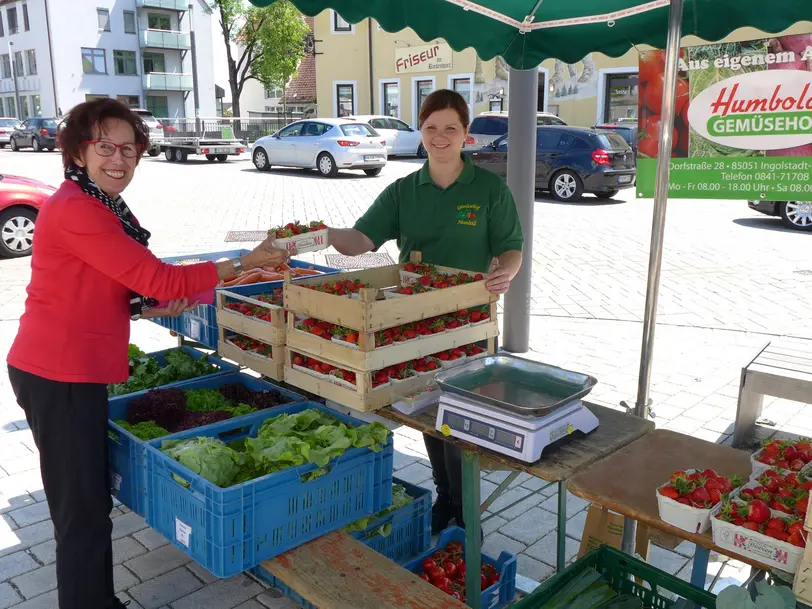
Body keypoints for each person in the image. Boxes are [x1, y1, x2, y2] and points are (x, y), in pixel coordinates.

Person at [5, 98, 290, 609]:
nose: (119, 159)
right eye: (106, 147)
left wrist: (144, 304)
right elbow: (156, 276)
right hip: (60, 373)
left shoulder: (100, 204)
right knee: (81, 513)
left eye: (130, 149)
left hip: (71, 368)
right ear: (77, 152)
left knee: (86, 506)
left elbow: (124, 279)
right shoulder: (76, 209)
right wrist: (241, 263)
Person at [328, 89, 524, 533]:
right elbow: (362, 240)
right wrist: (321, 234)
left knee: (462, 415)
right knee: (428, 410)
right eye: (431, 127)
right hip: (413, 323)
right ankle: (444, 497)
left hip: (468, 321)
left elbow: (512, 247)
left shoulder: (490, 189)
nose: (440, 137)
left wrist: (505, 274)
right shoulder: (403, 191)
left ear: (466, 134)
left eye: (451, 128)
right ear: (421, 130)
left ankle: (464, 506)